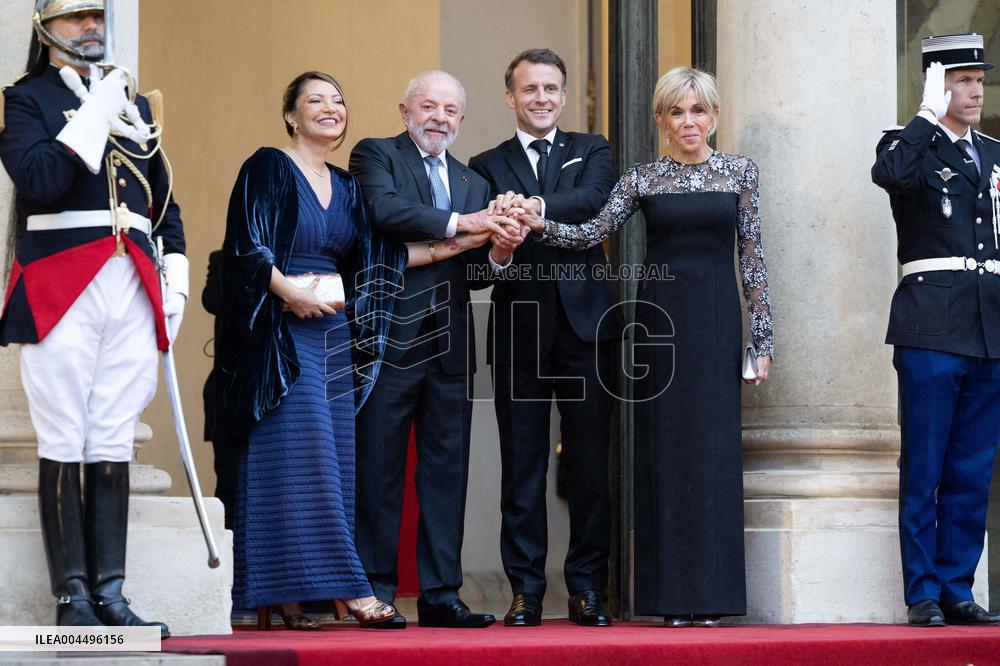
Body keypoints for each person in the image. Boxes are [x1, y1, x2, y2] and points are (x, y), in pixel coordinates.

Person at [216, 71, 495, 631]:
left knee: (334, 464)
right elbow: (246, 246)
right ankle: (299, 593)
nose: (330, 109)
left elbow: (378, 260)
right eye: (315, 101)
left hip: (334, 336)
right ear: (291, 114)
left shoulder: (346, 186)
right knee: (287, 460)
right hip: (282, 331)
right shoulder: (267, 166)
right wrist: (288, 290)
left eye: (338, 102)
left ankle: (305, 600)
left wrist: (472, 239)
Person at [520, 67, 773, 626]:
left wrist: (762, 339)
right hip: (658, 326)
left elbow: (752, 260)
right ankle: (667, 601)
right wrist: (537, 222)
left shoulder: (740, 173)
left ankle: (712, 598)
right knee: (663, 451)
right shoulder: (642, 178)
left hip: (715, 324)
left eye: (699, 111)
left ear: (715, 116)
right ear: (661, 119)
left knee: (712, 455)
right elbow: (591, 233)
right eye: (677, 112)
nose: (689, 122)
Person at [0, 0, 183, 637]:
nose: (92, 27)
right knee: (62, 432)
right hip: (60, 277)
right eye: (77, 16)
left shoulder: (136, 101)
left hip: (132, 276)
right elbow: (41, 179)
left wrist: (177, 281)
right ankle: (71, 597)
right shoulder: (24, 99)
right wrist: (98, 112)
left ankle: (111, 594)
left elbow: (162, 201)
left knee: (110, 433)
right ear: (45, 27)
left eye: (97, 15)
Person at [349, 70, 522, 629]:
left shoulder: (471, 180)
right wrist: (465, 225)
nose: (439, 118)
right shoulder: (376, 157)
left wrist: (499, 250)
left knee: (447, 474)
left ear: (461, 120)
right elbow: (387, 216)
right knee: (380, 470)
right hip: (391, 339)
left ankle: (441, 595)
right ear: (405, 110)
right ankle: (374, 589)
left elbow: (473, 271)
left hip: (450, 350)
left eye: (450, 110)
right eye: (429, 106)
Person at [468, 48, 620, 627]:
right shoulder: (483, 167)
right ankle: (526, 591)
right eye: (529, 89)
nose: (542, 99)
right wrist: (500, 247)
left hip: (588, 334)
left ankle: (586, 588)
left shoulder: (593, 150)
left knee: (588, 469)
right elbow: (478, 267)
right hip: (518, 336)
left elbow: (591, 203)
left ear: (562, 94)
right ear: (510, 97)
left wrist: (529, 208)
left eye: (551, 89)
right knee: (522, 468)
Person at [872, 33, 1000, 628]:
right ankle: (922, 591)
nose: (975, 90)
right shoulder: (908, 145)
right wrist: (925, 114)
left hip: (988, 328)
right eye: (961, 79)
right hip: (929, 327)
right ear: (935, 84)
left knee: (972, 471)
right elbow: (890, 176)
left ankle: (957, 586)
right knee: (924, 466)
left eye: (979, 80)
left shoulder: (995, 155)